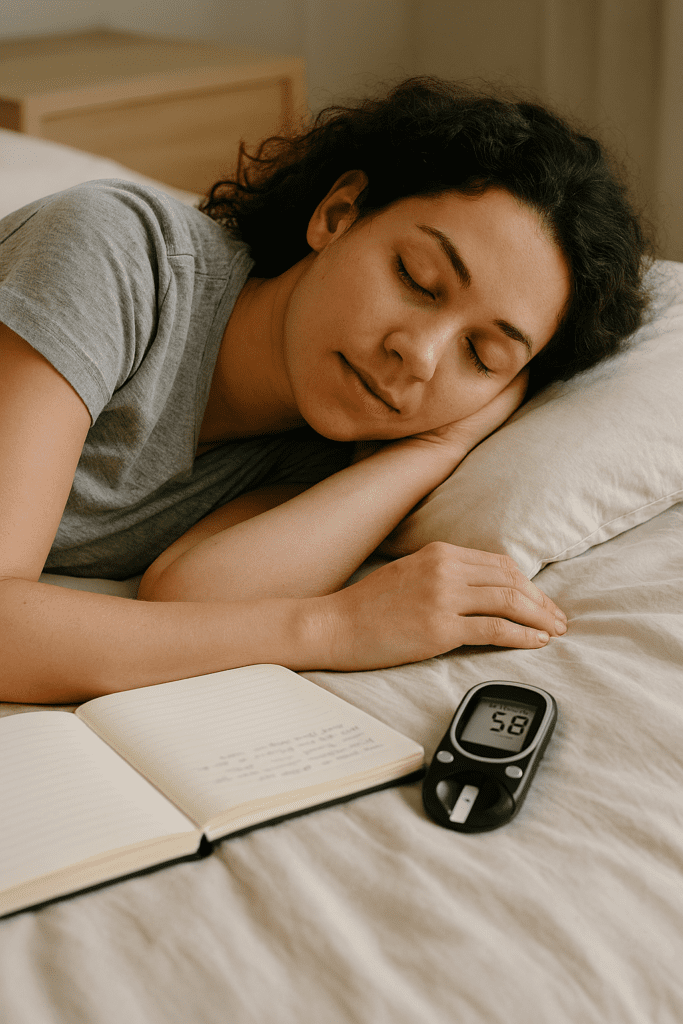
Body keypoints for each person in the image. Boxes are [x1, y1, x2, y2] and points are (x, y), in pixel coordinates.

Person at [0, 77, 650, 704]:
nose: (418, 356)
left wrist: (433, 448)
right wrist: (336, 628)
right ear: (337, 214)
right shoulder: (115, 253)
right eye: (417, 279)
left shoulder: (325, 447)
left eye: (481, 355)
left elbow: (192, 601)